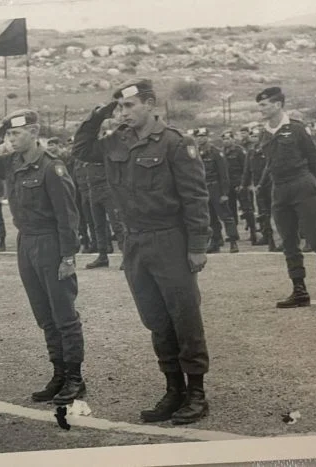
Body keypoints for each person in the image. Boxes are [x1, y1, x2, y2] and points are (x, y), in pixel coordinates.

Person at [73, 79, 211, 425]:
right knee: (155, 319)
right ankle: (173, 389)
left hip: (170, 240)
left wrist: (196, 246)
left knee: (184, 317)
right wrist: (102, 111)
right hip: (134, 243)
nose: (123, 113)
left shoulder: (176, 144)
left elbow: (195, 198)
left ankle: (196, 393)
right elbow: (81, 149)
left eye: (129, 106)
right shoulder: (114, 142)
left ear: (150, 105)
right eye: (119, 107)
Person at [0, 109, 86, 406]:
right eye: (9, 134)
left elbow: (67, 215)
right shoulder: (12, 163)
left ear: (34, 133)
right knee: (44, 315)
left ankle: (74, 378)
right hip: (26, 242)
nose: (11, 139)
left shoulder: (51, 167)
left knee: (64, 315)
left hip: (50, 242)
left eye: (16, 133)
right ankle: (58, 374)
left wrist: (68, 256)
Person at [255, 87, 316, 310]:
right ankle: (299, 290)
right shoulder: (264, 132)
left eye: (264, 105)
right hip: (279, 189)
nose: (260, 109)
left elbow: (315, 158)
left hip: (302, 184)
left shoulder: (297, 129)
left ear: (277, 105)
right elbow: (269, 163)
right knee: (289, 242)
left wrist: (314, 186)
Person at [85, 118, 125, 268]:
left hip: (108, 189)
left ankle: (126, 255)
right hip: (93, 190)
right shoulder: (90, 150)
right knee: (98, 225)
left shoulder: (110, 147)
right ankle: (102, 256)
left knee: (117, 224)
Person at [196, 128, 239, 253]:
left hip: (216, 188)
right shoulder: (197, 153)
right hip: (204, 189)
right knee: (210, 217)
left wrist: (225, 193)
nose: (200, 138)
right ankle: (215, 241)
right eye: (198, 136)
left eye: (203, 136)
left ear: (208, 137)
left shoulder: (216, 153)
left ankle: (233, 241)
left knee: (226, 216)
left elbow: (224, 174)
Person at [241, 127, 278, 251]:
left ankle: (281, 237)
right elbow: (247, 170)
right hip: (257, 186)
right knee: (263, 212)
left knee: (276, 211)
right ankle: (267, 235)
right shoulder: (250, 152)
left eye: (257, 136)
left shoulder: (268, 150)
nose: (255, 139)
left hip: (270, 184)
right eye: (253, 136)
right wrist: (244, 185)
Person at [222, 130, 258, 245]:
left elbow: (246, 168)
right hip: (229, 186)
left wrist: (244, 184)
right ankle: (234, 233)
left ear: (233, 139)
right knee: (231, 210)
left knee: (247, 209)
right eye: (224, 139)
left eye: (228, 138)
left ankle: (253, 232)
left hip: (240, 184)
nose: (225, 141)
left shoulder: (239, 151)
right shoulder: (223, 152)